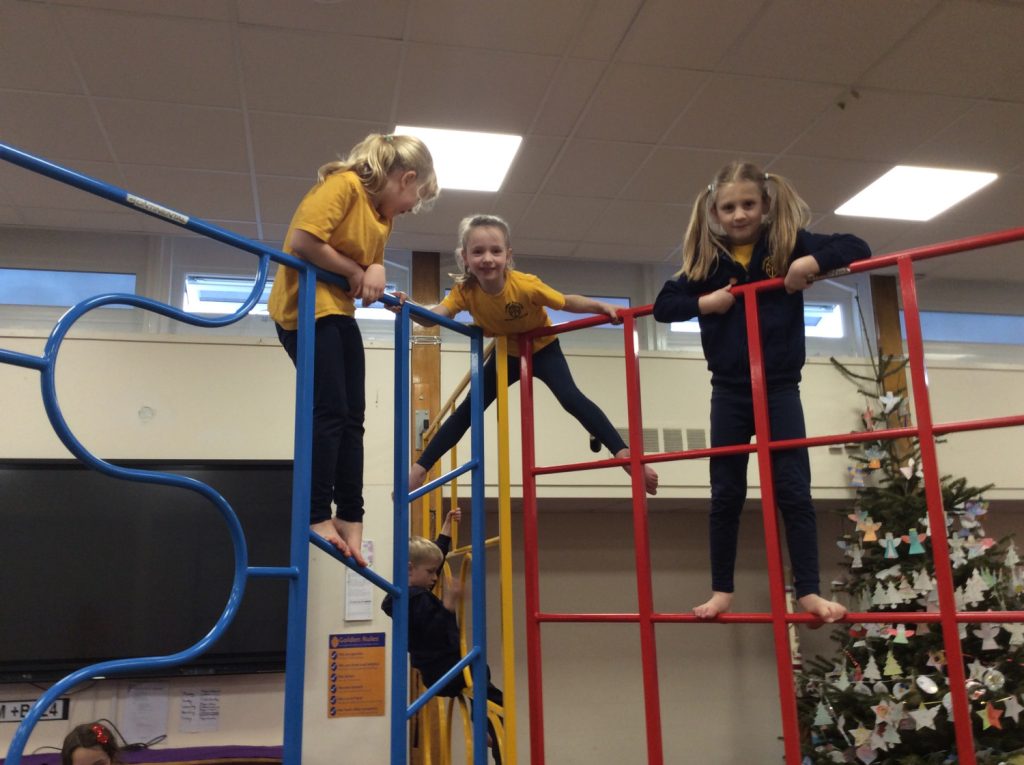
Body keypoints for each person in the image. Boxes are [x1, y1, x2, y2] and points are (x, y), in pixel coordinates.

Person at [652, 161, 870, 622]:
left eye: (748, 204)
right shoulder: (709, 261)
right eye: (729, 207)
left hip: (779, 387)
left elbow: (857, 245)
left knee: (794, 489)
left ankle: (808, 591)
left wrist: (810, 263)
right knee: (725, 492)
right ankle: (721, 590)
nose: (739, 215)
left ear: (766, 204)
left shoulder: (787, 245)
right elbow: (664, 305)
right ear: (714, 211)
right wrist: (706, 303)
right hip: (729, 390)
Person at [394, 213, 658, 496]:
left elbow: (566, 301)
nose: (487, 259)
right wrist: (410, 307)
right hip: (507, 352)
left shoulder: (525, 285)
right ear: (465, 257)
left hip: (542, 347)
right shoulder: (465, 292)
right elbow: (435, 316)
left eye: (495, 251)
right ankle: (420, 468)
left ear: (508, 255)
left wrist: (602, 307)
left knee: (570, 397)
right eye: (478, 252)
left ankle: (623, 453)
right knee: (470, 408)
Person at [268, 133, 438, 565]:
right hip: (303, 311)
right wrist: (357, 271)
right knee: (330, 409)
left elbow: (366, 272)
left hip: (337, 311)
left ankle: (349, 513)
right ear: (406, 178)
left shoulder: (382, 216)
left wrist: (377, 272)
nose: (412, 207)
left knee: (353, 416)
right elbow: (303, 241)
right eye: (416, 196)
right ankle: (315, 513)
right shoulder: (343, 185)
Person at [382, 509, 504, 763]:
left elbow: (435, 555)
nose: (435, 577)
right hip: (446, 672)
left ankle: (483, 726)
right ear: (409, 569)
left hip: (438, 671)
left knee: (482, 679)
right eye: (431, 572)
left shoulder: (407, 592)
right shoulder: (413, 599)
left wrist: (446, 528)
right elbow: (433, 631)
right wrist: (448, 603)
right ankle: (490, 737)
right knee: (497, 703)